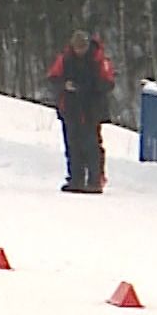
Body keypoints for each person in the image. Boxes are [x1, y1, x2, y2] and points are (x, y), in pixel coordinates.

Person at [47, 29, 114, 193]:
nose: (79, 51)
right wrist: (65, 85)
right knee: (73, 144)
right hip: (70, 108)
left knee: (91, 144)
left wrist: (87, 87)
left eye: (82, 48)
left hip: (91, 108)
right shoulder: (65, 59)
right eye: (77, 48)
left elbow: (108, 82)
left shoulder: (98, 59)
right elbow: (53, 77)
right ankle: (76, 179)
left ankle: (95, 180)